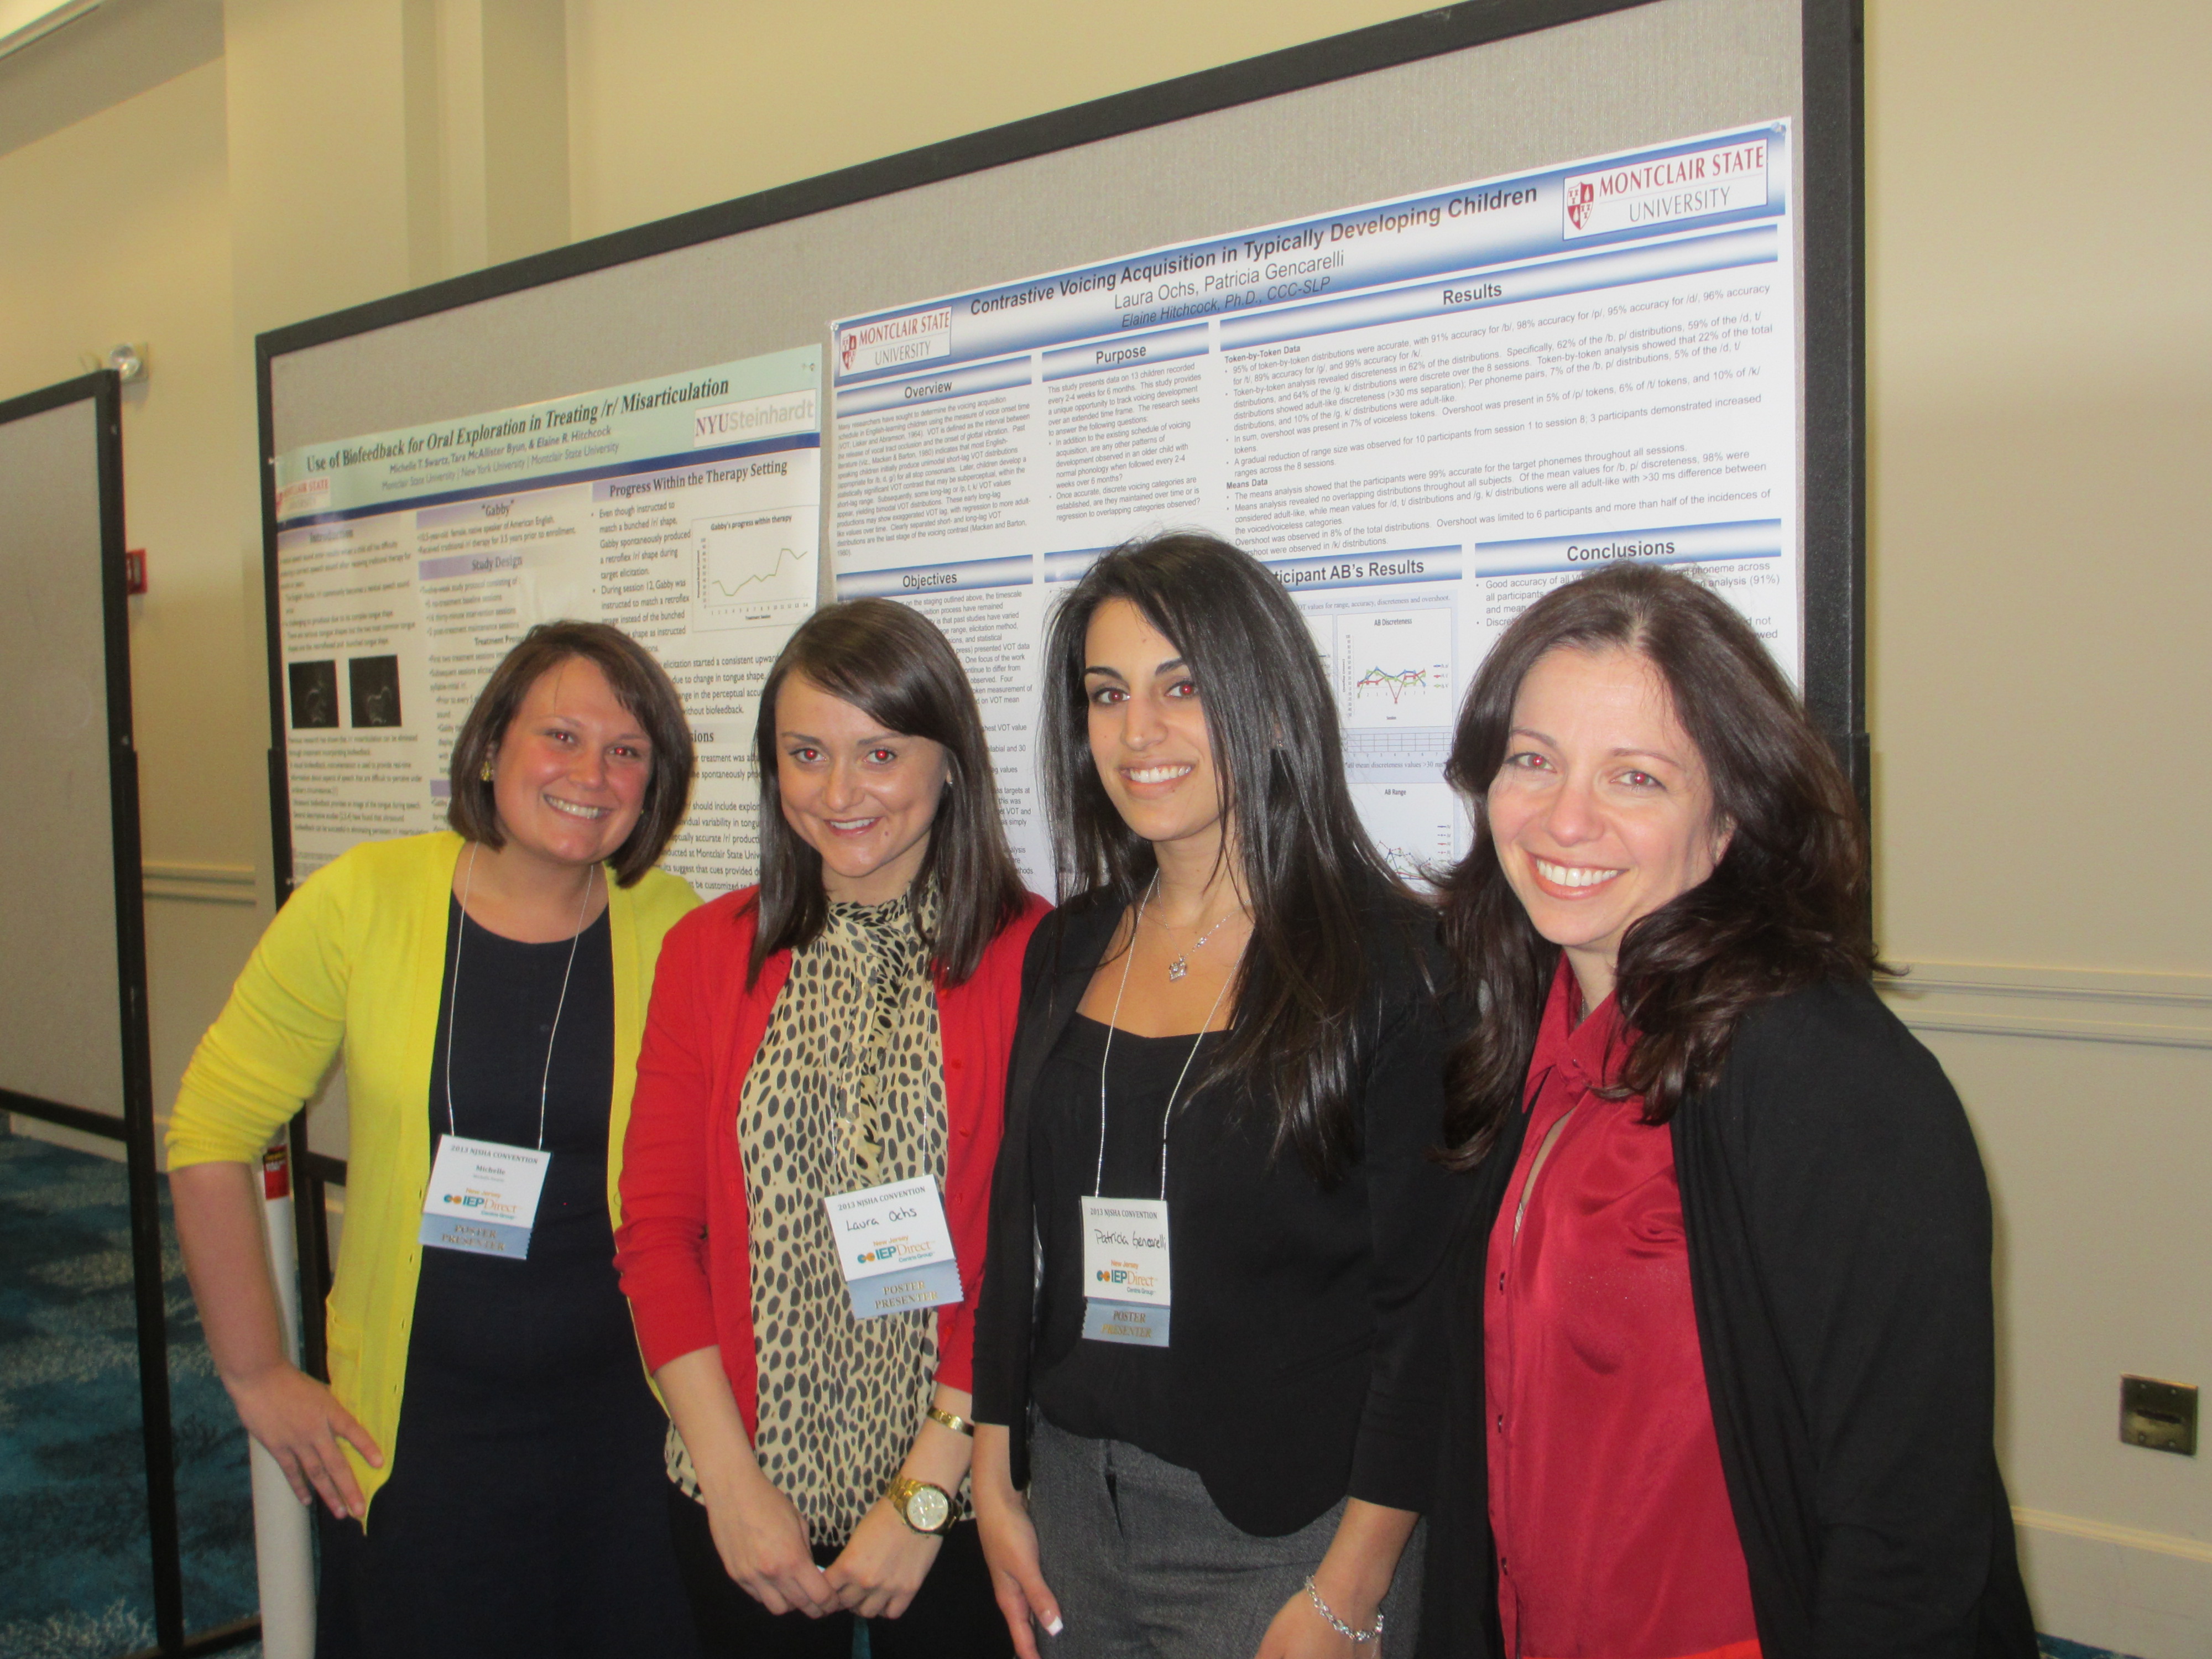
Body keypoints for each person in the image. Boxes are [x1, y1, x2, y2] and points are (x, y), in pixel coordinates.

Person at [1418, 562, 2037, 1658]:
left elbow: (1907, 1539)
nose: (1565, 819)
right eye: (1533, 760)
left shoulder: (1828, 1080)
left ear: (1730, 820)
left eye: (1636, 778)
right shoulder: (1523, 1035)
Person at [167, 622, 705, 1659]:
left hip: (626, 1418)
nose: (591, 774)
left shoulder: (674, 924)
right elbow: (211, 1129)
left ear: (655, 782)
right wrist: (257, 1370)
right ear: (493, 745)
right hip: (419, 1422)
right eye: (561, 735)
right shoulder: (362, 901)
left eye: (627, 751)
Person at [971, 533, 1464, 1659]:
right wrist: (996, 1475)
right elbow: (1018, 1230)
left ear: (1272, 707)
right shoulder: (1068, 944)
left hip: (1284, 1542)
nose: (1137, 732)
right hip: (1072, 1515)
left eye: (1182, 687)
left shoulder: (1396, 967)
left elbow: (1422, 1317)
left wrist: (1348, 1592)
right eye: (1107, 694)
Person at [614, 598, 1048, 1659]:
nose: (840, 793)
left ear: (951, 762)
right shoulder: (707, 951)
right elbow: (658, 1233)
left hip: (959, 1491)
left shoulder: (1033, 956)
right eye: (806, 754)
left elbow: (1027, 1258)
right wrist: (731, 1484)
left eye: (880, 754)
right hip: (741, 1489)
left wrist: (922, 1500)